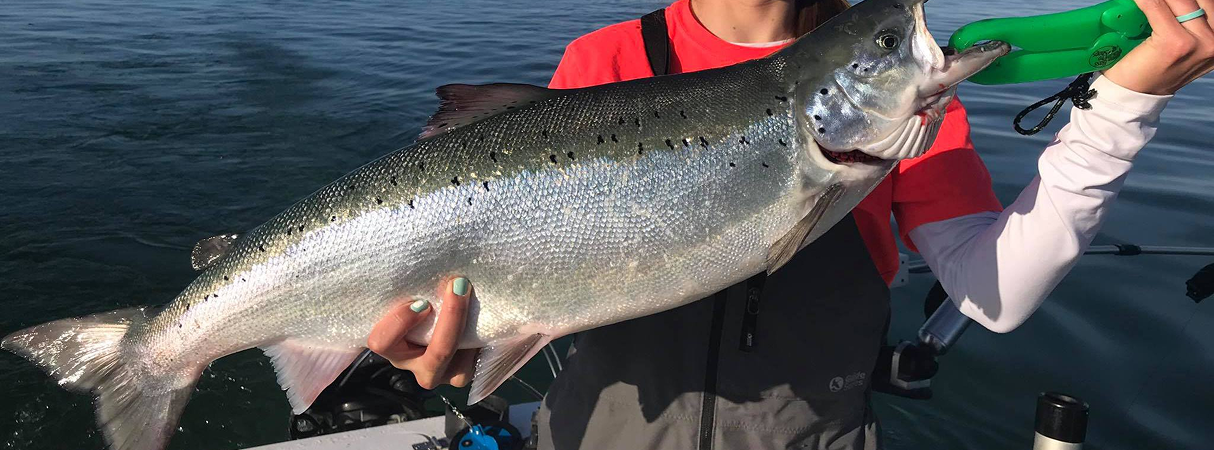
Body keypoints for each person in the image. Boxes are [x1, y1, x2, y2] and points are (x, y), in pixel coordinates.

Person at [366, 0, 1214, 448]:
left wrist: (1119, 113)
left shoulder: (905, 104)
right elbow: (531, 263)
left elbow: (996, 293)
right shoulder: (608, 61)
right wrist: (460, 332)